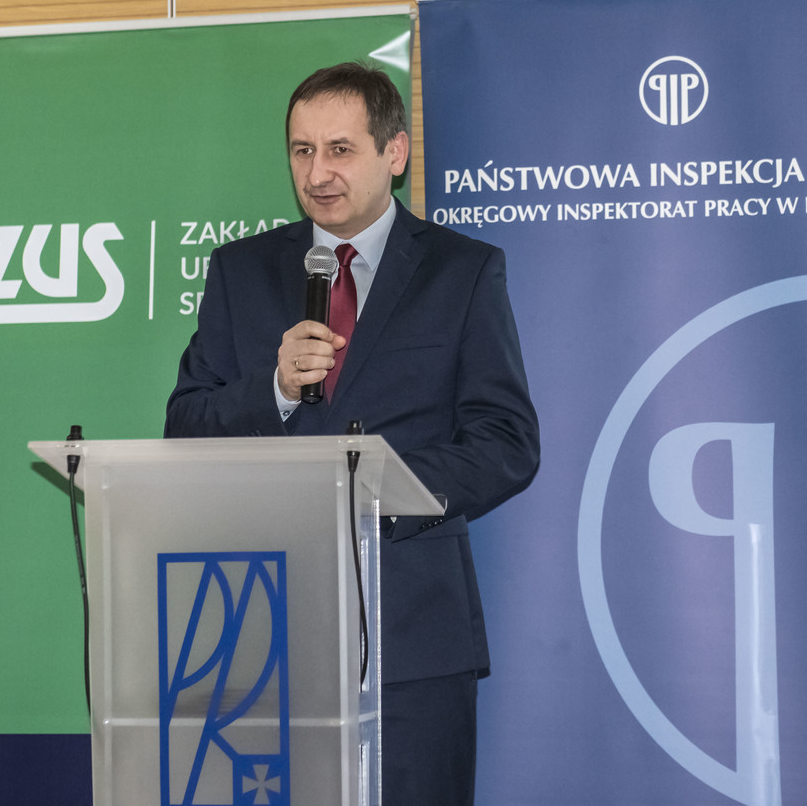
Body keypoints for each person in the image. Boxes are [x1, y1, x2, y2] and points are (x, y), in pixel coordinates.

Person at [166, 61, 540, 805]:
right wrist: (274, 388)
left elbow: (506, 441)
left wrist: (382, 491)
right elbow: (185, 427)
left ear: (394, 152)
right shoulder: (240, 272)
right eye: (302, 150)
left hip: (412, 636)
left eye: (340, 149)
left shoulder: (463, 272)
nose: (318, 173)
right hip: (263, 633)